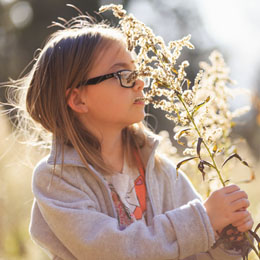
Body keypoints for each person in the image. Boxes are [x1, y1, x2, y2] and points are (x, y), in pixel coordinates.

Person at [7, 10, 253, 260]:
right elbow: (111, 251)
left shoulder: (161, 170)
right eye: (123, 75)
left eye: (138, 72)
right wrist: (202, 220)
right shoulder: (57, 178)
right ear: (79, 99)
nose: (140, 83)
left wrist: (226, 237)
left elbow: (198, 251)